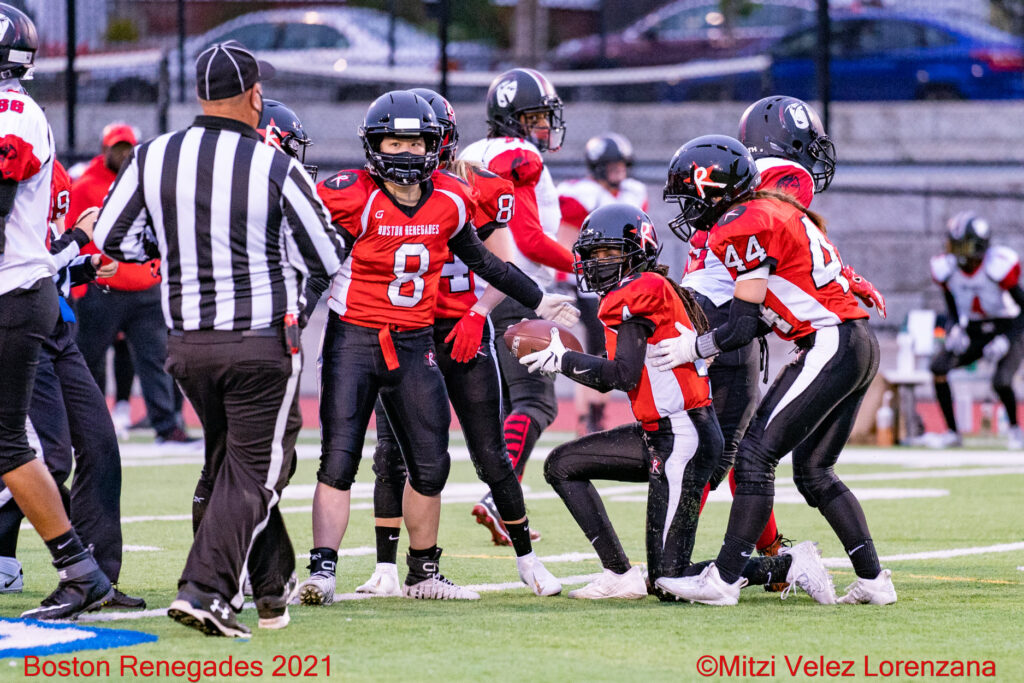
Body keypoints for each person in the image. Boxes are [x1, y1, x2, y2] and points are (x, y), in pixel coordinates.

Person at [95, 41, 345, 637]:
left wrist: (173, 248)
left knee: (227, 464)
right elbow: (328, 252)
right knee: (256, 472)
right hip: (260, 342)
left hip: (185, 345)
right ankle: (206, 590)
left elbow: (112, 238)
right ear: (256, 95)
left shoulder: (154, 156)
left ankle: (269, 588)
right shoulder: (273, 165)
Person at [299, 90, 569, 605]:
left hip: (417, 338)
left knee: (431, 462)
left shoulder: (452, 195)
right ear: (373, 144)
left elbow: (488, 262)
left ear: (437, 142)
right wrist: (291, 321)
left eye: (415, 141)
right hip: (353, 339)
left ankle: (424, 573)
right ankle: (323, 572)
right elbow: (316, 265)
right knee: (341, 459)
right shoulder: (349, 193)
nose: (404, 152)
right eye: (393, 141)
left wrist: (538, 298)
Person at [651, 135, 894, 606]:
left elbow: (742, 323)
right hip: (855, 343)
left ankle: (722, 581)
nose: (685, 208)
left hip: (831, 341)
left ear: (712, 189)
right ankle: (872, 580)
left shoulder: (741, 222)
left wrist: (693, 346)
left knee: (754, 457)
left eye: (688, 194)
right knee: (814, 471)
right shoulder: (772, 208)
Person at [525, 203, 722, 599]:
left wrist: (563, 360)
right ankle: (618, 572)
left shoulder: (642, 289)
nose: (599, 263)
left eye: (610, 253)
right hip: (661, 432)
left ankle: (784, 565)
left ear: (638, 250)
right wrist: (567, 361)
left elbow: (621, 375)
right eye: (594, 255)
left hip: (684, 435)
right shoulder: (638, 290)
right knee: (562, 465)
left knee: (670, 581)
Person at [0, 1, 114, 620]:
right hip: (19, 291)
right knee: (10, 441)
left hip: (12, 293)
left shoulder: (13, 116)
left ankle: (80, 569)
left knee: (10, 442)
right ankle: (80, 568)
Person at [0, 161, 144, 609]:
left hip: (55, 323)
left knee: (100, 446)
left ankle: (96, 575)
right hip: (23, 324)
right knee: (47, 455)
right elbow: (28, 261)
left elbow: (47, 262)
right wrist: (78, 239)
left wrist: (79, 266)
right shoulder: (18, 176)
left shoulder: (45, 176)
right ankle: (26, 557)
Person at [460, 69, 574, 535]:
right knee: (536, 402)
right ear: (513, 119)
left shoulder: (468, 154)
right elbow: (526, 239)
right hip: (515, 288)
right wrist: (584, 265)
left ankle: (508, 508)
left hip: (471, 291)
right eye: (536, 117)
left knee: (512, 404)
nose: (544, 128)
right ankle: (500, 494)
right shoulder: (519, 155)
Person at [69, 123, 193, 446]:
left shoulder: (146, 181)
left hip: (144, 287)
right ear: (105, 149)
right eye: (117, 148)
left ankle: (167, 426)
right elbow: (72, 231)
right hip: (103, 286)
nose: (123, 154)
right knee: (88, 359)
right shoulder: (86, 185)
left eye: (128, 148)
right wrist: (79, 283)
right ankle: (88, 426)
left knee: (157, 359)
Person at [557, 133, 648, 436]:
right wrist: (564, 280)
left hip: (621, 283)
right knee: (599, 349)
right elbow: (565, 241)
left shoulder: (634, 191)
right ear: (597, 166)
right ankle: (588, 416)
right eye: (612, 165)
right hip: (589, 285)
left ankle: (597, 413)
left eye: (622, 164)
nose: (619, 170)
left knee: (612, 350)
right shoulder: (580, 193)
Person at [923, 211, 1024, 449]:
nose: (956, 249)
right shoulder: (947, 269)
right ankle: (952, 433)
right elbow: (952, 305)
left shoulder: (997, 266)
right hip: (975, 328)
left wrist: (1007, 340)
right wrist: (954, 327)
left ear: (978, 245)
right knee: (938, 367)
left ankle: (1015, 429)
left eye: (963, 244)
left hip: (1008, 326)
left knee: (1001, 381)